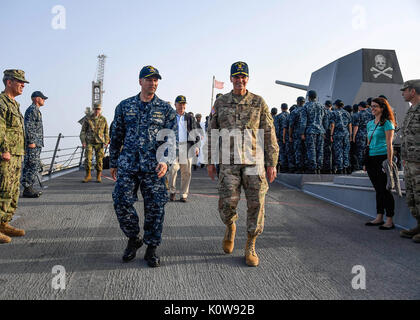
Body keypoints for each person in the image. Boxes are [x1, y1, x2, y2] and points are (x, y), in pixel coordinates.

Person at [207, 61, 279, 267]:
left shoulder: (258, 102)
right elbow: (212, 132)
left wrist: (272, 162)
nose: (240, 80)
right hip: (228, 162)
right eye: (236, 76)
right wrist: (210, 160)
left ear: (248, 78)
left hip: (253, 162)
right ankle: (230, 226)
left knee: (256, 203)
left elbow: (269, 132)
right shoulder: (220, 103)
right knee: (227, 202)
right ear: (231, 78)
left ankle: (250, 244)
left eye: (243, 76)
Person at [110, 65, 177, 268]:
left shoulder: (166, 110)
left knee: (155, 207)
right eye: (149, 79)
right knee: (121, 201)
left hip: (154, 167)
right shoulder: (124, 106)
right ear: (140, 81)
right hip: (128, 165)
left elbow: (171, 140)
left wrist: (166, 161)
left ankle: (151, 247)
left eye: (156, 80)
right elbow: (116, 135)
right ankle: (134, 237)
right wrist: (113, 162)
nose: (153, 83)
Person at [0, 70, 29, 244]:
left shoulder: (14, 104)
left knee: (13, 191)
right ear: (9, 82)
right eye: (19, 81)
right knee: (3, 189)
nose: (23, 85)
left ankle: (4, 223)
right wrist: (4, 149)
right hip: (7, 154)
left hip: (17, 153)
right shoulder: (1, 102)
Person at [364, 98, 396, 230]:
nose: (372, 108)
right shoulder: (370, 123)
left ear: (382, 108)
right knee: (378, 189)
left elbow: (390, 144)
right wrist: (365, 162)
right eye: (371, 106)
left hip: (382, 158)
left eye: (375, 106)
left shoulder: (387, 123)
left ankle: (389, 220)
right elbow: (368, 143)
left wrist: (388, 162)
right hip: (371, 158)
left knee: (385, 190)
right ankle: (379, 216)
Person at [399, 80, 420, 242]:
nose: (402, 93)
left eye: (404, 90)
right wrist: (404, 158)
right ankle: (419, 225)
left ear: (413, 91)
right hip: (409, 161)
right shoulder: (410, 110)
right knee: (413, 196)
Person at [168, 96, 200, 202]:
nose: (182, 106)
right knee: (172, 170)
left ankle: (183, 195)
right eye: (180, 103)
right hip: (174, 148)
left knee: (186, 173)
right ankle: (172, 191)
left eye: (184, 104)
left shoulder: (190, 117)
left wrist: (196, 146)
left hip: (187, 148)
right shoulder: (170, 117)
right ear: (175, 104)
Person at [21, 91, 48, 198]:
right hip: (33, 144)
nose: (44, 100)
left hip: (37, 143)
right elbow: (28, 126)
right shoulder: (32, 110)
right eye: (42, 98)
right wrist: (31, 141)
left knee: (32, 165)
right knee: (31, 165)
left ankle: (29, 188)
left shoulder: (35, 110)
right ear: (36, 99)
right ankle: (28, 189)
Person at [300, 90, 328, 174]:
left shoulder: (306, 106)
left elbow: (303, 121)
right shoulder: (321, 106)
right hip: (321, 131)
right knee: (320, 150)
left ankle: (313, 168)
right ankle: (319, 167)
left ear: (309, 97)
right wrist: (325, 130)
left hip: (310, 131)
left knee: (311, 150)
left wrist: (302, 132)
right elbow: (325, 120)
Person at [80, 103, 110, 183]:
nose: (97, 110)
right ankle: (88, 175)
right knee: (88, 159)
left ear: (100, 110)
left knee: (99, 160)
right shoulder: (88, 119)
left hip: (99, 142)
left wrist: (106, 141)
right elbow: (83, 131)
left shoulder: (103, 119)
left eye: (98, 109)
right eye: (96, 109)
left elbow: (106, 131)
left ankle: (98, 176)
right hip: (89, 141)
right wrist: (83, 141)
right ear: (93, 109)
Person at [330, 100, 352, 174]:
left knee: (338, 151)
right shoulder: (347, 113)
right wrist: (350, 135)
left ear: (336, 105)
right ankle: (346, 167)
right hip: (346, 133)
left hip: (337, 133)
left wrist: (331, 135)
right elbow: (350, 125)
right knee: (345, 151)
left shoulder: (334, 113)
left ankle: (340, 168)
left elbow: (332, 125)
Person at [352, 101, 374, 171]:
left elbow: (356, 126)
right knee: (367, 150)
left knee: (360, 151)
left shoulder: (358, 115)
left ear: (360, 106)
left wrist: (353, 136)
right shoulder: (370, 114)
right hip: (368, 134)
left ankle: (361, 166)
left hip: (360, 134)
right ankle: (367, 165)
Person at [289, 97, 306, 174]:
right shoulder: (307, 110)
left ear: (297, 102)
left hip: (297, 134)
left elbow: (291, 125)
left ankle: (300, 168)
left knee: (298, 151)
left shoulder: (295, 111)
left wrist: (290, 136)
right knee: (306, 151)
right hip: (308, 134)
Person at [276, 104, 293, 173]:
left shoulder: (278, 116)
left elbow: (277, 128)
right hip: (289, 137)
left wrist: (277, 137)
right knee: (289, 152)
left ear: (281, 108)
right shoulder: (290, 115)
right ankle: (290, 167)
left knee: (282, 152)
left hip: (281, 137)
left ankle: (283, 168)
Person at [322, 100, 333, 174]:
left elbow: (324, 123)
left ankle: (325, 167)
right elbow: (332, 125)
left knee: (325, 150)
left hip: (326, 132)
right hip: (331, 133)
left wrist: (324, 133)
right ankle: (330, 167)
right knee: (330, 151)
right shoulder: (333, 113)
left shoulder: (324, 112)